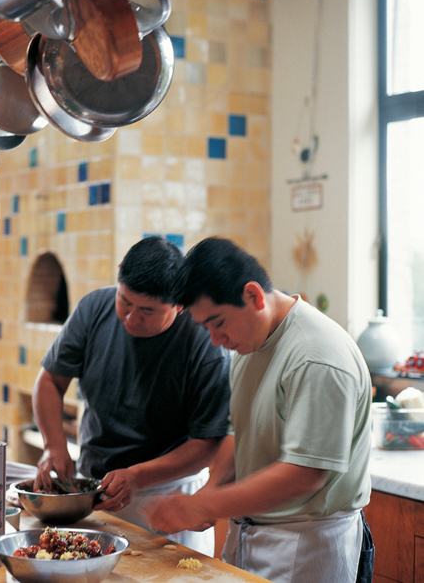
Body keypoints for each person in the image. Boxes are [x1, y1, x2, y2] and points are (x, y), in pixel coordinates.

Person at [145, 237, 374, 583]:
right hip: (253, 532)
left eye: (218, 322)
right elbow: (240, 432)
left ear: (253, 295)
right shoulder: (248, 348)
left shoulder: (316, 356)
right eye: (206, 327)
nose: (215, 340)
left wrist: (205, 505)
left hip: (307, 544)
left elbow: (305, 472)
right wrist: (211, 489)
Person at [32, 236, 230, 556]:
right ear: (120, 274)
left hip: (168, 495)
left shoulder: (205, 342)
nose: (131, 318)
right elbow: (50, 382)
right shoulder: (93, 307)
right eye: (125, 301)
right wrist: (53, 445)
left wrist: (138, 476)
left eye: (149, 311)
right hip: (92, 490)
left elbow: (208, 443)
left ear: (179, 303)